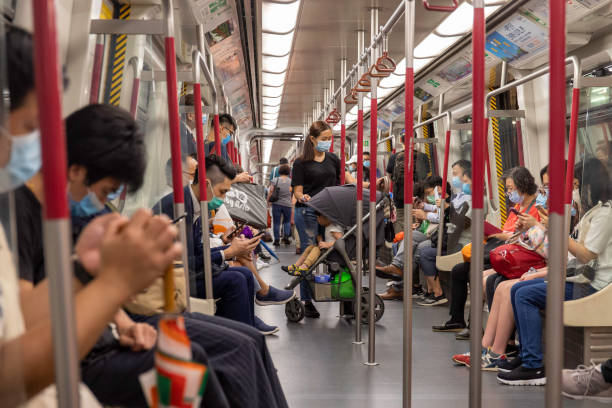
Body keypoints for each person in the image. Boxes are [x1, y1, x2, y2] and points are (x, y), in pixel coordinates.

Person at [0, 27, 198, 407]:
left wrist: (87, 270)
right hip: (75, 364)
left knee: (209, 356)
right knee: (184, 365)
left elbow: (18, 319)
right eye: (29, 129)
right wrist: (112, 282)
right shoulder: (16, 211)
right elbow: (11, 375)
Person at [45, 104, 287, 406]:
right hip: (93, 345)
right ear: (76, 170)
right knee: (210, 350)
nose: (103, 201)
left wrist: (123, 323)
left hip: (114, 325)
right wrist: (225, 253)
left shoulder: (81, 216)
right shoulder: (45, 221)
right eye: (107, 190)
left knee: (249, 341)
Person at [498, 158, 612, 386]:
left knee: (523, 294)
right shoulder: (593, 212)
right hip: (581, 278)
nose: (574, 192)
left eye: (577, 186)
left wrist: (554, 229)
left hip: (594, 286)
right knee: (518, 289)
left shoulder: (605, 214)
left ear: (589, 185)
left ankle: (533, 366)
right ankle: (525, 355)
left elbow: (587, 254)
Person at [158, 154, 293, 333]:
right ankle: (242, 332)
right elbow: (188, 261)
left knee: (245, 274)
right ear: (206, 184)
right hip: (174, 279)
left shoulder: (195, 205)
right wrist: (228, 253)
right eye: (222, 192)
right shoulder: (181, 208)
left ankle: (248, 325)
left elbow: (196, 250)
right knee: (235, 279)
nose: (222, 198)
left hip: (187, 271)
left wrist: (230, 248)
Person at [292, 120, 341, 318]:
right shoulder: (301, 162)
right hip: (308, 211)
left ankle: (330, 291)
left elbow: (340, 182)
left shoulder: (333, 159)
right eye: (324, 139)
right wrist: (302, 197)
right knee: (310, 253)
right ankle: (307, 299)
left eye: (330, 139)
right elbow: (297, 191)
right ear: (312, 139)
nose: (328, 142)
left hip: (328, 212)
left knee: (332, 250)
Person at [414, 161, 473, 306]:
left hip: (462, 243)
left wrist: (445, 208)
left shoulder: (473, 200)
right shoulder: (459, 197)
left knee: (424, 251)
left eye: (456, 174)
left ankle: (436, 292)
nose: (454, 178)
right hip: (452, 238)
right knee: (421, 247)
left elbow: (463, 223)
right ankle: (428, 289)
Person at [387, 131, 430, 234]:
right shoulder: (423, 157)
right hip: (418, 199)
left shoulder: (394, 157)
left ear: (400, 140)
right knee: (417, 227)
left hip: (400, 199)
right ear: (415, 141)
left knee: (402, 228)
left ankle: (403, 247)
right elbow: (426, 177)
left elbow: (390, 176)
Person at [269, 163, 293, 246]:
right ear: (288, 172)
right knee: (287, 221)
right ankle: (286, 237)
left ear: (280, 171)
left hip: (277, 204)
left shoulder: (275, 180)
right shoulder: (291, 181)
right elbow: (292, 192)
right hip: (288, 204)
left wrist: (268, 201)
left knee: (276, 222)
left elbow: (271, 191)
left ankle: (276, 240)